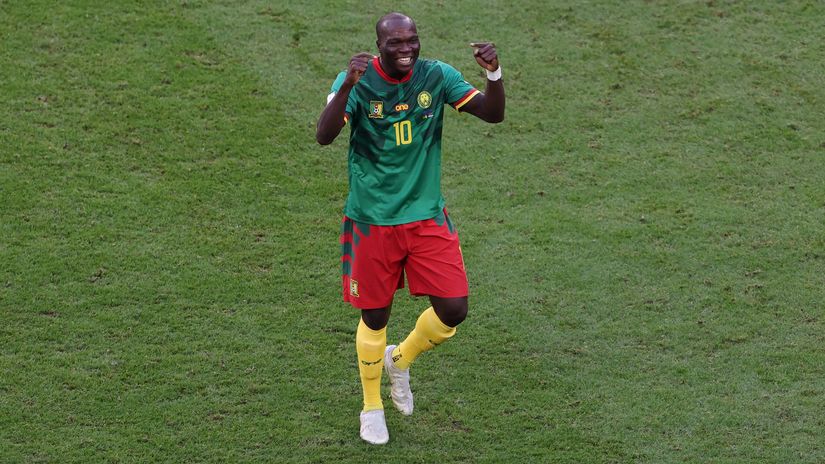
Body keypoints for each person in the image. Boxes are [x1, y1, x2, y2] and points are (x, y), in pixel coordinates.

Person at [316, 12, 505, 445]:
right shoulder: (357, 81)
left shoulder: (436, 76)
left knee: (454, 309)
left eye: (412, 41)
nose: (406, 49)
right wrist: (346, 86)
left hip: (425, 217)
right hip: (372, 221)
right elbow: (324, 136)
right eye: (396, 43)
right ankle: (371, 407)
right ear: (379, 45)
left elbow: (492, 114)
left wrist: (493, 73)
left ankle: (399, 361)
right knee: (375, 314)